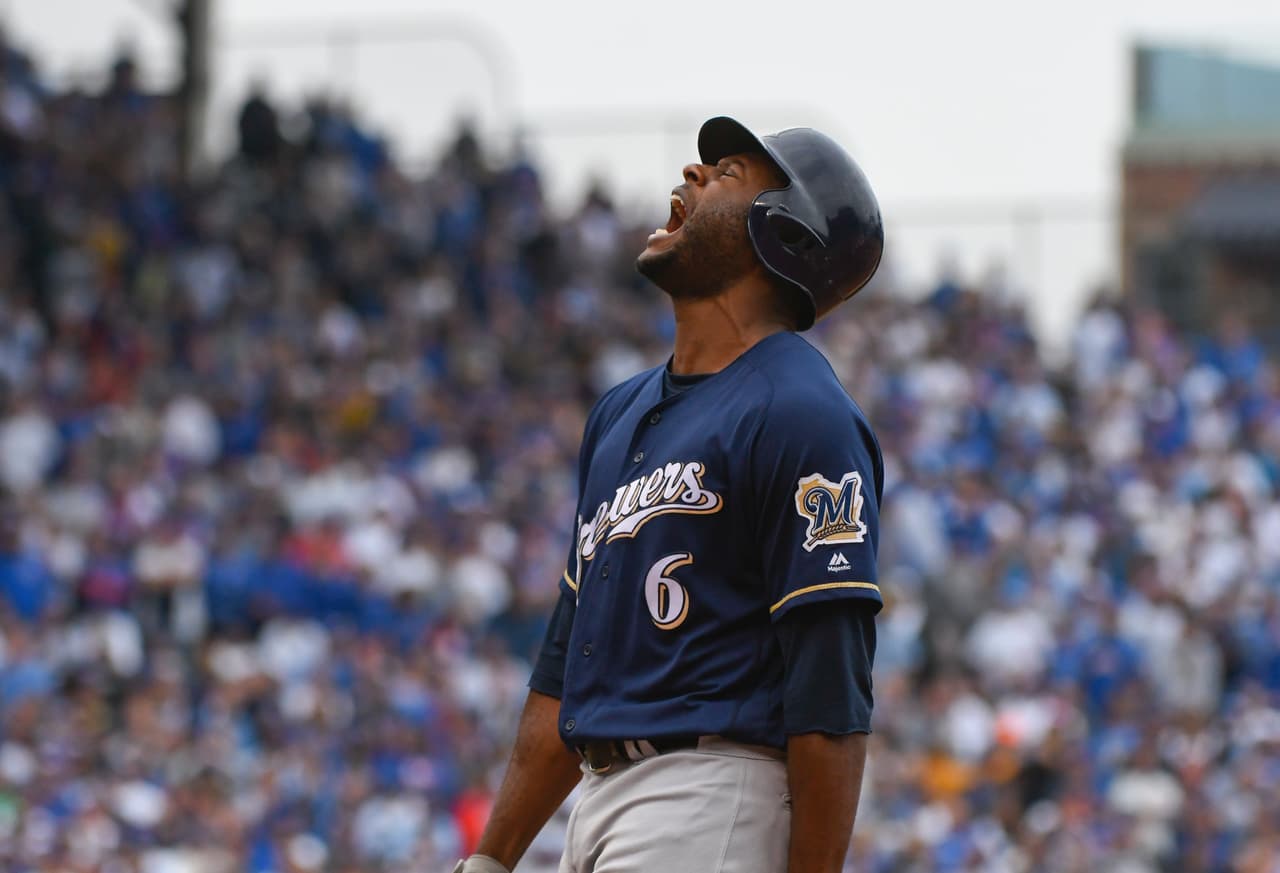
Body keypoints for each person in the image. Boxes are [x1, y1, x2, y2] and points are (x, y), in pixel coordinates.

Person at [451, 116, 886, 873]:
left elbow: (830, 688)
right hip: (599, 800)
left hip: (712, 795)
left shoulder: (800, 411)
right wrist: (490, 858)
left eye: (728, 173)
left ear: (783, 232)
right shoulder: (618, 414)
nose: (693, 173)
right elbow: (566, 668)